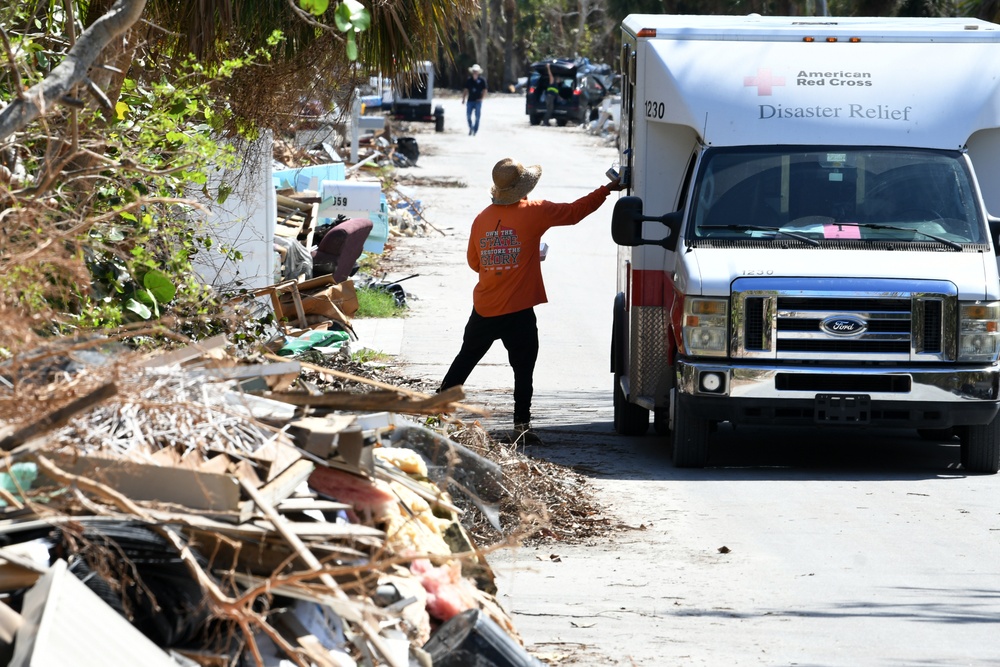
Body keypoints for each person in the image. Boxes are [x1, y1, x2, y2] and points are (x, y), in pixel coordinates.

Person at [439, 158, 625, 440]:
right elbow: (576, 212)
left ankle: (438, 415)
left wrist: (504, 259)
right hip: (518, 311)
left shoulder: (481, 219)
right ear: (523, 188)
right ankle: (521, 428)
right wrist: (607, 189)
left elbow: (475, 263)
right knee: (523, 372)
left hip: (485, 308)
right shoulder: (535, 211)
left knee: (464, 362)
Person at [462, 64, 488, 136]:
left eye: (476, 71)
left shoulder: (482, 80)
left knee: (477, 117)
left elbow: (485, 90)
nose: (475, 73)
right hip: (470, 100)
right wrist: (463, 99)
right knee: (468, 116)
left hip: (478, 101)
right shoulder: (469, 80)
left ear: (478, 72)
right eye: (474, 71)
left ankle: (475, 130)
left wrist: (481, 98)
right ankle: (471, 128)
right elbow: (466, 90)